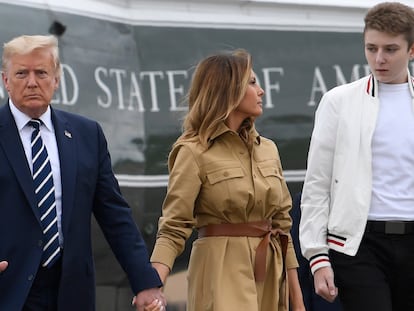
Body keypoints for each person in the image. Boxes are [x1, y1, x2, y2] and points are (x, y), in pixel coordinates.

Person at [0, 34, 166, 311]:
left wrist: (145, 281)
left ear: (56, 79)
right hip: (8, 288)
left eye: (41, 72)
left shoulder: (86, 134)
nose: (31, 82)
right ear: (6, 80)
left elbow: (114, 214)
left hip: (71, 290)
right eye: (21, 73)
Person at [148, 49, 305, 311]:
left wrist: (297, 302)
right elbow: (174, 228)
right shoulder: (192, 151)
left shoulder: (268, 148)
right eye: (252, 82)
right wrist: (152, 285)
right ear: (228, 89)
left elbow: (282, 227)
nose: (261, 91)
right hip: (219, 272)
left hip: (270, 274)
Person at [299, 2, 414, 311]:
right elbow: (317, 183)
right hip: (358, 244)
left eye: (391, 49)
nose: (379, 58)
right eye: (371, 48)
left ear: (412, 50)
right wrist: (317, 256)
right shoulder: (339, 102)